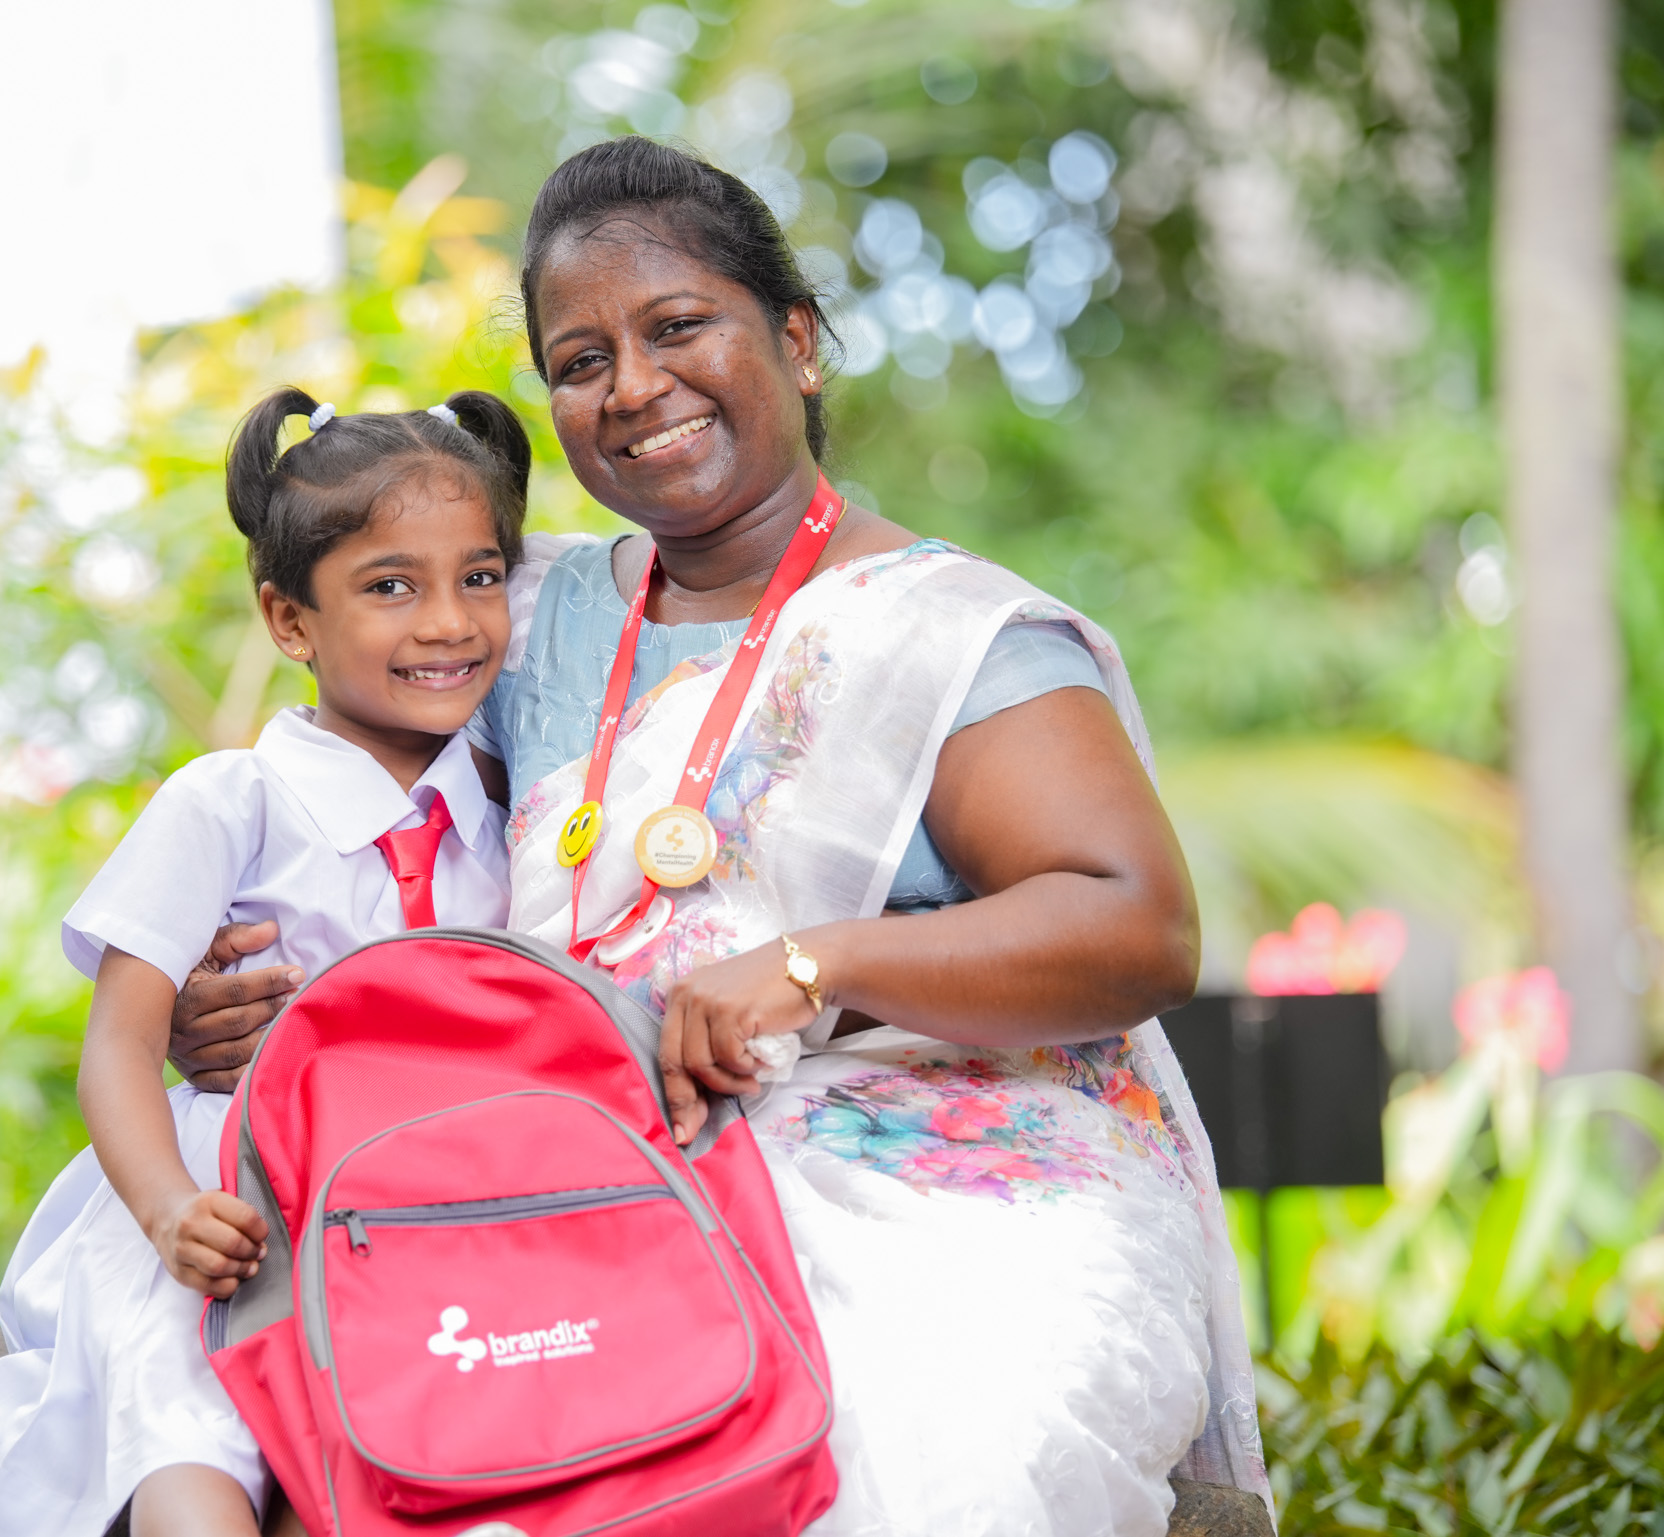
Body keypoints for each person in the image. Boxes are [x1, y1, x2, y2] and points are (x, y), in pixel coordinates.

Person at [171, 138, 1273, 1537]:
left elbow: (1137, 926)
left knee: (928, 1475)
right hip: (571, 1156)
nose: (632, 386)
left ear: (797, 342)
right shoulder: (517, 615)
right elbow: (346, 830)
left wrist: (811, 965)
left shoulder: (948, 632)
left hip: (941, 1190)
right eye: (580, 361)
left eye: (678, 326)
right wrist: (226, 993)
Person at [0, 388, 532, 1537]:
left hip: (416, 1203)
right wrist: (169, 1210)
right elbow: (119, 1046)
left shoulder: (509, 809)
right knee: (192, 1412)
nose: (449, 621)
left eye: (479, 576)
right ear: (289, 621)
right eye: (390, 586)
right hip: (231, 1198)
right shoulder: (230, 801)